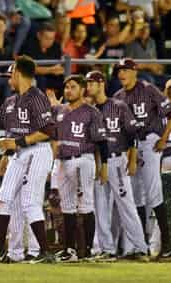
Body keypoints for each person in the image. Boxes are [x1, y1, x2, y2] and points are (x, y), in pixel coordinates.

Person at [0, 56, 55, 264]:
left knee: (30, 201)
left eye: (10, 74)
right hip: (19, 153)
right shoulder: (11, 101)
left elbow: (48, 130)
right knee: (3, 199)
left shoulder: (36, 96)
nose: (8, 79)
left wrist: (18, 142)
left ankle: (45, 251)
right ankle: (1, 252)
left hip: (38, 150)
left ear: (18, 73)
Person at [113, 58, 171, 259]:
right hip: (131, 148)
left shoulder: (149, 89)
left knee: (153, 193)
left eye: (125, 70)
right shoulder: (118, 96)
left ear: (134, 71)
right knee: (135, 196)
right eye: (119, 71)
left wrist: (164, 138)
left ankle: (168, 244)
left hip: (149, 142)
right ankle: (141, 246)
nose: (121, 74)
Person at [85, 70, 149, 261]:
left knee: (126, 205)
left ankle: (140, 247)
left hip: (117, 160)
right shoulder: (90, 110)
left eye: (91, 83)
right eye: (87, 84)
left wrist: (131, 159)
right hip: (98, 162)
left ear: (101, 83)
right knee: (101, 208)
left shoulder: (118, 106)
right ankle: (107, 249)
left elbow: (133, 134)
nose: (88, 87)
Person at [50, 74, 107, 261]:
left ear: (82, 90)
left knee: (86, 205)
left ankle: (89, 251)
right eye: (66, 87)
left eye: (73, 87)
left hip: (84, 160)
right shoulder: (58, 110)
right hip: (63, 162)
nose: (68, 90)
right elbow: (49, 132)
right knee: (66, 207)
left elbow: (101, 142)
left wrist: (103, 166)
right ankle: (69, 250)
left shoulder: (92, 112)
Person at [21, 22, 64, 92]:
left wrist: (55, 70)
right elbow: (31, 69)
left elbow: (58, 68)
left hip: (52, 76)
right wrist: (50, 69)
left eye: (52, 39)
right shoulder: (29, 46)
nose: (49, 41)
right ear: (39, 36)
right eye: (46, 38)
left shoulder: (56, 46)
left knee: (65, 78)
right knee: (41, 79)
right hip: (34, 77)